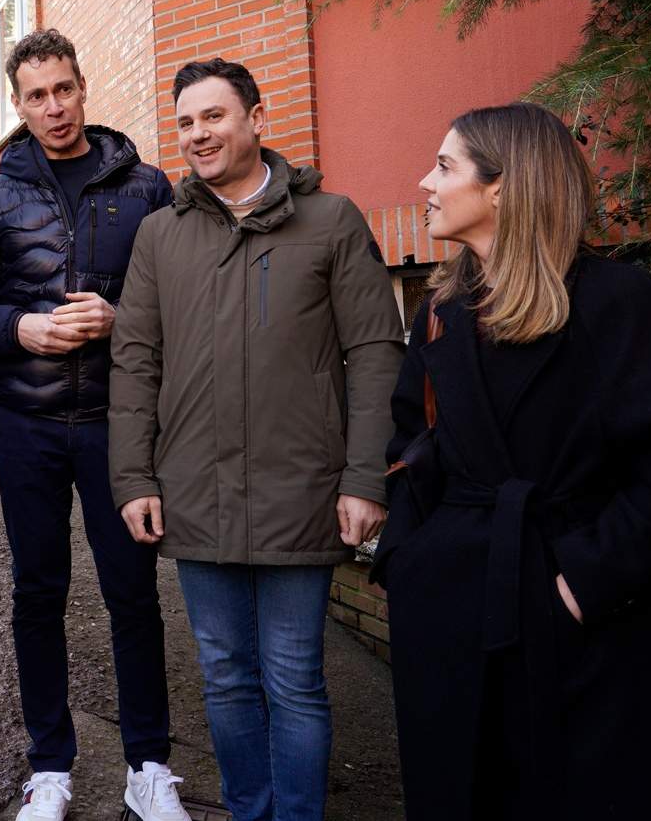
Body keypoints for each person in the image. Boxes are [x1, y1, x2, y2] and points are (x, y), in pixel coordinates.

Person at [373, 102, 651, 820]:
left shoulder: (623, 305)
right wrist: (408, 557)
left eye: (444, 166)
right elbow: (411, 444)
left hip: (584, 629)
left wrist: (582, 584)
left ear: (503, 186)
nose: (425, 183)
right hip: (450, 620)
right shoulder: (444, 307)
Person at [108, 58, 404, 821]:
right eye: (185, 123)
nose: (198, 135)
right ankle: (249, 810)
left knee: (295, 676)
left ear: (257, 120)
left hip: (299, 493)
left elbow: (375, 351)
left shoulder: (332, 221)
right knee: (225, 675)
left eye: (214, 116)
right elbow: (136, 361)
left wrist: (365, 477)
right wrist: (133, 478)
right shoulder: (159, 236)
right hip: (194, 493)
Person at [0, 29, 188, 821]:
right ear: (18, 104)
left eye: (64, 90)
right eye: (35, 96)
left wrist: (124, 317)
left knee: (132, 592)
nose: (53, 108)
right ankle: (50, 769)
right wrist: (21, 329)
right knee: (37, 591)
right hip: (27, 424)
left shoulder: (147, 187)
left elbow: (186, 300)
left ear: (84, 88)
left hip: (121, 422)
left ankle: (148, 767)